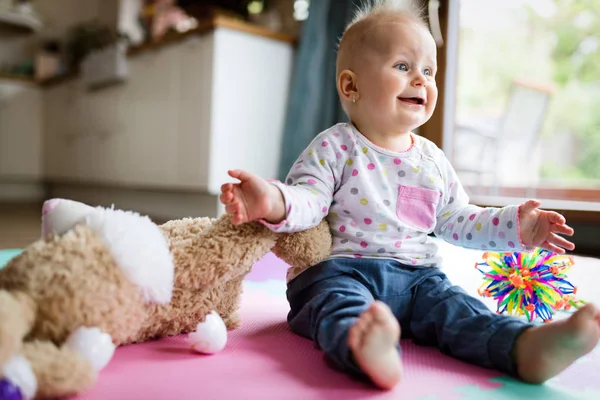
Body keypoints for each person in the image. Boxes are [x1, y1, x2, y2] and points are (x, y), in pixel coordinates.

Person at [219, 0, 600, 390]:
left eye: (429, 71)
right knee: (340, 306)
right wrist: (271, 200)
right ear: (351, 86)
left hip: (419, 279)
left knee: (459, 309)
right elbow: (308, 200)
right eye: (403, 67)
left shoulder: (431, 160)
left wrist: (515, 226)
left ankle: (523, 346)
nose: (421, 80)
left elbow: (457, 219)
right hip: (340, 270)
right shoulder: (335, 145)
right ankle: (367, 347)